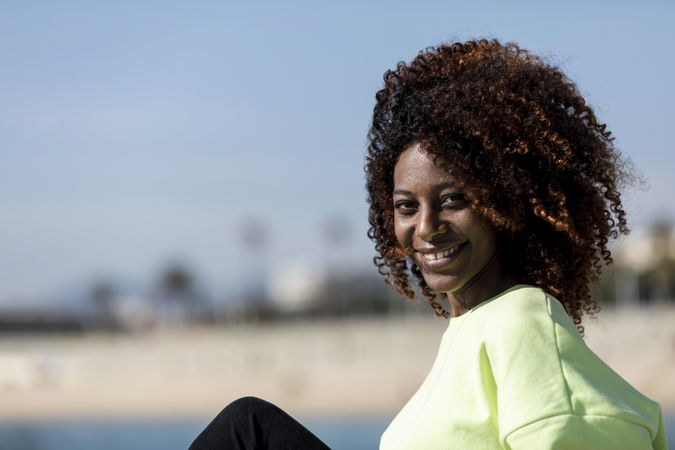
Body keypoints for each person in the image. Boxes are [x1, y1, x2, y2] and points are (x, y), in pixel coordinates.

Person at [190, 39, 668, 450]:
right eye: (406, 207)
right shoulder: (471, 331)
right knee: (247, 427)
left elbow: (595, 432)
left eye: (453, 199)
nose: (427, 227)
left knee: (244, 430)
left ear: (508, 201)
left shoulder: (524, 321)